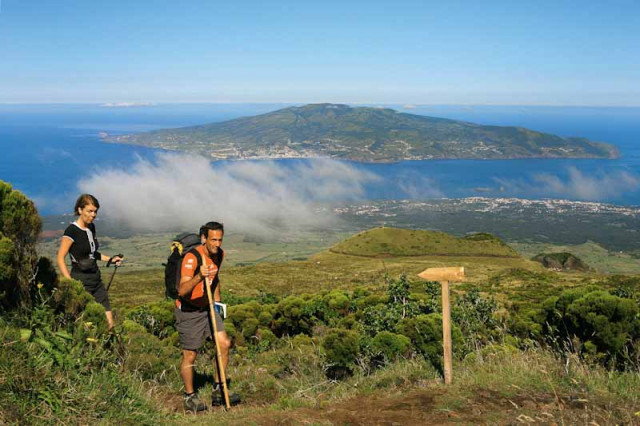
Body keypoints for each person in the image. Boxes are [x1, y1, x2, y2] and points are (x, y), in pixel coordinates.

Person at [175, 221, 240, 412]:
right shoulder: (192, 257)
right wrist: (198, 277)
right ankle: (189, 397)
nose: (217, 244)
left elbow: (216, 277)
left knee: (224, 344)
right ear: (204, 238)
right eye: (213, 240)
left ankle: (219, 389)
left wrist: (217, 303)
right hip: (188, 310)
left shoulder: (220, 254)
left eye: (220, 239)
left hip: (208, 307)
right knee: (190, 354)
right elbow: (182, 290)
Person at [56, 194, 123, 331]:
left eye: (95, 211)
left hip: (96, 280)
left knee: (109, 324)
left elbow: (92, 253)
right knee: (84, 323)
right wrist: (71, 283)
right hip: (80, 281)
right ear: (80, 210)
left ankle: (107, 348)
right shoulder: (72, 231)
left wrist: (110, 259)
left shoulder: (91, 228)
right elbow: (60, 258)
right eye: (89, 211)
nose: (93, 215)